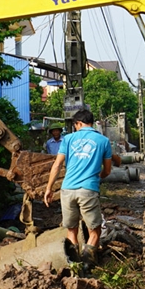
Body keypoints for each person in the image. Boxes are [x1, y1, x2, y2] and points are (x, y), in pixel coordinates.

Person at [44, 108, 112, 271]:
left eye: (75, 125)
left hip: (67, 190)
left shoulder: (67, 139)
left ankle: (75, 266)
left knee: (71, 231)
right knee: (94, 231)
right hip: (88, 190)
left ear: (79, 123)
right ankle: (88, 265)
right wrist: (97, 177)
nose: (75, 128)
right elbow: (108, 170)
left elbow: (57, 165)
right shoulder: (103, 141)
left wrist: (49, 188)